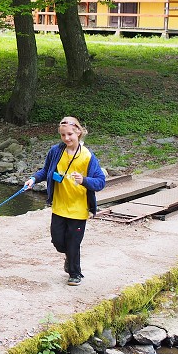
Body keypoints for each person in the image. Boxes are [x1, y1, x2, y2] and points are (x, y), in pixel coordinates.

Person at [24, 116, 106, 286]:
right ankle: (68, 256)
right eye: (63, 135)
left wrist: (84, 180)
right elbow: (46, 170)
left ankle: (75, 273)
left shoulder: (88, 156)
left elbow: (100, 182)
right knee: (58, 242)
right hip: (59, 207)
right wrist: (33, 179)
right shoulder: (56, 151)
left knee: (73, 243)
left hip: (79, 208)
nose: (66, 138)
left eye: (70, 134)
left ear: (78, 132)